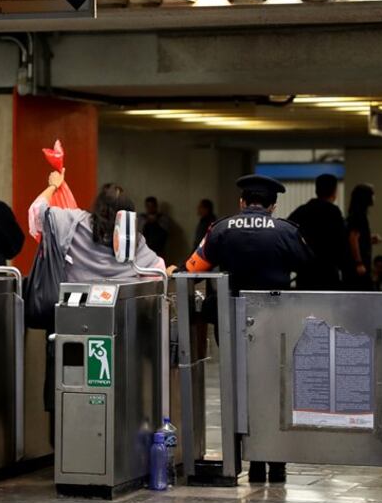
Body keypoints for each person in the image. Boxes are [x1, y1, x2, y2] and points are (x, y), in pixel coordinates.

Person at [174, 175, 312, 484]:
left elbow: (193, 270)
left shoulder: (221, 230)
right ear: (272, 205)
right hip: (277, 326)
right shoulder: (286, 232)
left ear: (241, 202)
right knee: (276, 389)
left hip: (232, 324)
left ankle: (244, 462)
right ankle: (275, 464)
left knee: (238, 389)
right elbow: (310, 267)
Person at [29, 170, 166, 438]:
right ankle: (114, 443)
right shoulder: (135, 243)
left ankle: (68, 445)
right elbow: (157, 273)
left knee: (69, 385)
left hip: (71, 322)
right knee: (112, 388)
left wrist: (53, 186)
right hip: (119, 329)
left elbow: (36, 212)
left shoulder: (72, 222)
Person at [287, 174, 347, 290]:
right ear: (334, 191)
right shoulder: (334, 213)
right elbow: (341, 243)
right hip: (328, 272)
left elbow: (288, 234)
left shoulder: (302, 210)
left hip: (305, 272)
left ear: (316, 190)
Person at [344, 184, 381, 290]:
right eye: (372, 195)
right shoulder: (358, 216)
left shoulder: (357, 215)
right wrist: (359, 262)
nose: (374, 197)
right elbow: (353, 238)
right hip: (358, 266)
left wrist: (369, 239)